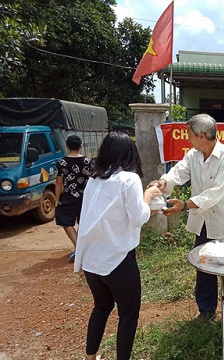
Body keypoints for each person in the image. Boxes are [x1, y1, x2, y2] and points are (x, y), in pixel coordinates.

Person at [74, 131, 162, 360]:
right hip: (118, 261)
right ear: (129, 153)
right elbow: (138, 217)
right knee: (128, 314)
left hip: (91, 261)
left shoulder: (94, 180)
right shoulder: (129, 179)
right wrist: (149, 195)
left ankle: (91, 356)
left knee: (101, 307)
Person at [152, 114, 224, 320]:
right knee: (204, 265)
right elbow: (177, 173)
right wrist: (162, 182)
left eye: (190, 134)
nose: (188, 139)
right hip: (204, 221)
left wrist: (185, 205)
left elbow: (215, 193)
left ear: (202, 135)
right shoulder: (193, 155)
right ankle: (207, 310)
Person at [55, 135, 92, 263]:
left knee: (64, 220)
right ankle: (81, 248)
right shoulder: (88, 161)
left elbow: (59, 183)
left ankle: (78, 247)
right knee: (83, 221)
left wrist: (56, 199)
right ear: (81, 146)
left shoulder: (61, 162)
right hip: (85, 196)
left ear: (67, 146)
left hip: (69, 196)